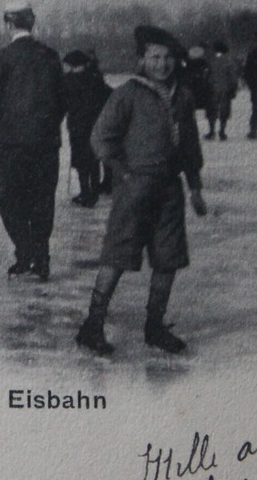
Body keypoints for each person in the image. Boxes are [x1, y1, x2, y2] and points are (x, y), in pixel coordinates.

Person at [75, 26, 206, 357]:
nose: (162, 64)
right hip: (135, 190)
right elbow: (100, 139)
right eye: (154, 57)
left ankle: (155, 327)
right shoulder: (127, 94)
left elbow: (190, 145)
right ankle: (92, 326)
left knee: (168, 259)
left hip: (169, 190)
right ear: (142, 60)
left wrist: (195, 187)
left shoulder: (183, 95)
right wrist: (123, 173)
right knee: (117, 257)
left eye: (167, 58)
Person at [0, 2, 65, 280]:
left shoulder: (2, 58)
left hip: (14, 144)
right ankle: (40, 259)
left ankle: (25, 253)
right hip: (46, 142)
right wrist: (50, 124)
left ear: (8, 25)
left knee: (8, 198)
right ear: (32, 23)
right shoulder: (51, 56)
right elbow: (63, 99)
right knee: (43, 201)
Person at [61, 50, 112, 206]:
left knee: (81, 161)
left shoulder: (68, 81)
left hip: (78, 126)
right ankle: (94, 191)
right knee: (94, 159)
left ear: (73, 65)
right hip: (96, 124)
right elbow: (108, 94)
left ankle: (85, 192)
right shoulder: (96, 78)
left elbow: (62, 103)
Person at [204, 41, 239, 140]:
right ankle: (222, 132)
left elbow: (206, 75)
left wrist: (206, 84)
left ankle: (211, 131)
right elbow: (233, 77)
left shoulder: (211, 60)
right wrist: (233, 88)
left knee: (211, 110)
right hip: (225, 89)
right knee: (224, 110)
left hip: (212, 88)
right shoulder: (229, 61)